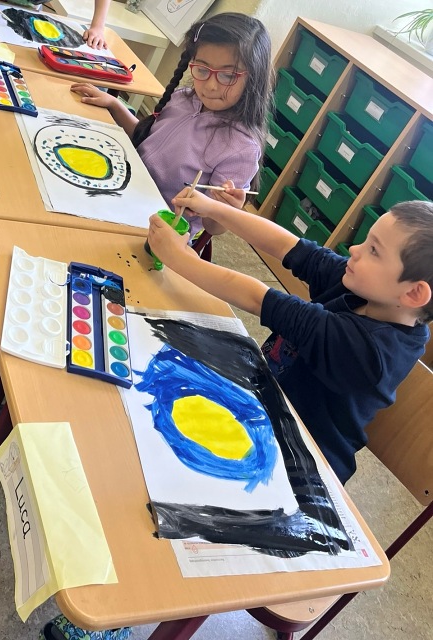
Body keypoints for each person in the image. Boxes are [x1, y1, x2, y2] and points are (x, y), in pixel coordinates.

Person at [148, 194, 433, 485]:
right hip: (259, 404)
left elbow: (259, 299)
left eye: (374, 250)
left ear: (413, 293)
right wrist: (213, 208)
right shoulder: (366, 287)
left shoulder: (369, 352)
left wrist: (180, 259)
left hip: (298, 463)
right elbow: (288, 245)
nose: (354, 250)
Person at [71, 12, 274, 239]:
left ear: (253, 78)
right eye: (202, 70)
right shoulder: (183, 98)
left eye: (228, 76)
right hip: (118, 189)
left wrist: (225, 210)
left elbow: (213, 227)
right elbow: (145, 139)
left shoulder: (241, 148)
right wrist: (115, 105)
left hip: (155, 230)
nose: (211, 86)